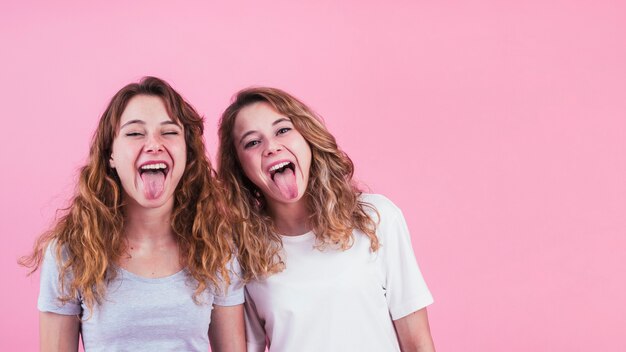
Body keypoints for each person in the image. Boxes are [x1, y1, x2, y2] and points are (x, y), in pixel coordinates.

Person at [21, 77, 245, 352]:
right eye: (135, 133)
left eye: (169, 132)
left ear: (188, 152)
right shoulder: (71, 251)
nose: (154, 144)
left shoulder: (217, 248)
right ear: (111, 155)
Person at [217, 87, 435, 352]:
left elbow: (417, 342)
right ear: (240, 168)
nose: (271, 147)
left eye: (283, 130)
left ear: (307, 138)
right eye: (252, 142)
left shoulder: (376, 218)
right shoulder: (242, 250)